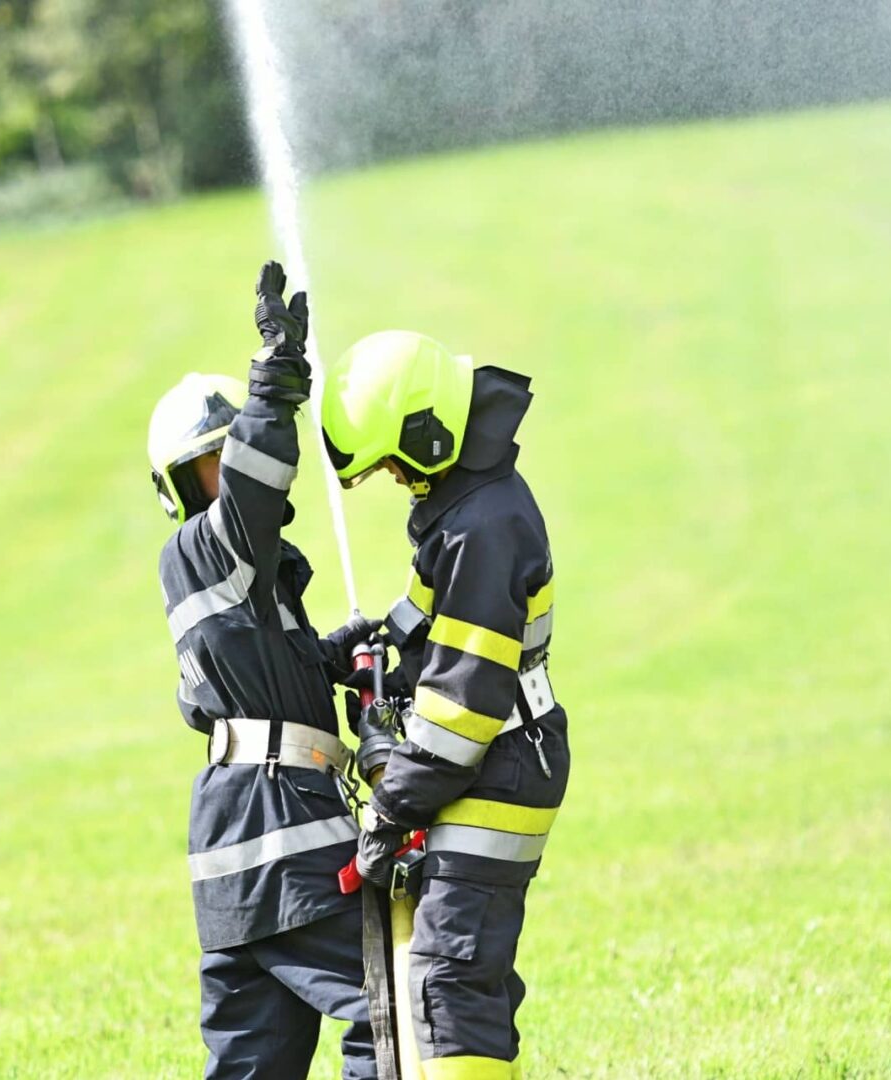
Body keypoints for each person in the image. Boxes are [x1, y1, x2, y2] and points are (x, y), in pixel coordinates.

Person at [146, 262, 379, 1080]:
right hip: (281, 835)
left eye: (229, 460)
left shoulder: (248, 588)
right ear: (181, 489)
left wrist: (332, 655)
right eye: (208, 468)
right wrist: (271, 385)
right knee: (386, 1010)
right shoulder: (202, 548)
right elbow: (246, 497)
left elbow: (256, 680)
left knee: (252, 1065)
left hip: (240, 846)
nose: (226, 481)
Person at [321, 331, 572, 1080]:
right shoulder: (463, 510)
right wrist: (375, 664)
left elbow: (462, 709)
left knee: (449, 978)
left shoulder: (481, 529)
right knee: (463, 971)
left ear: (426, 431)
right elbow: (430, 632)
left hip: (498, 765)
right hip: (500, 759)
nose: (396, 479)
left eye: (393, 462)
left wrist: (390, 807)